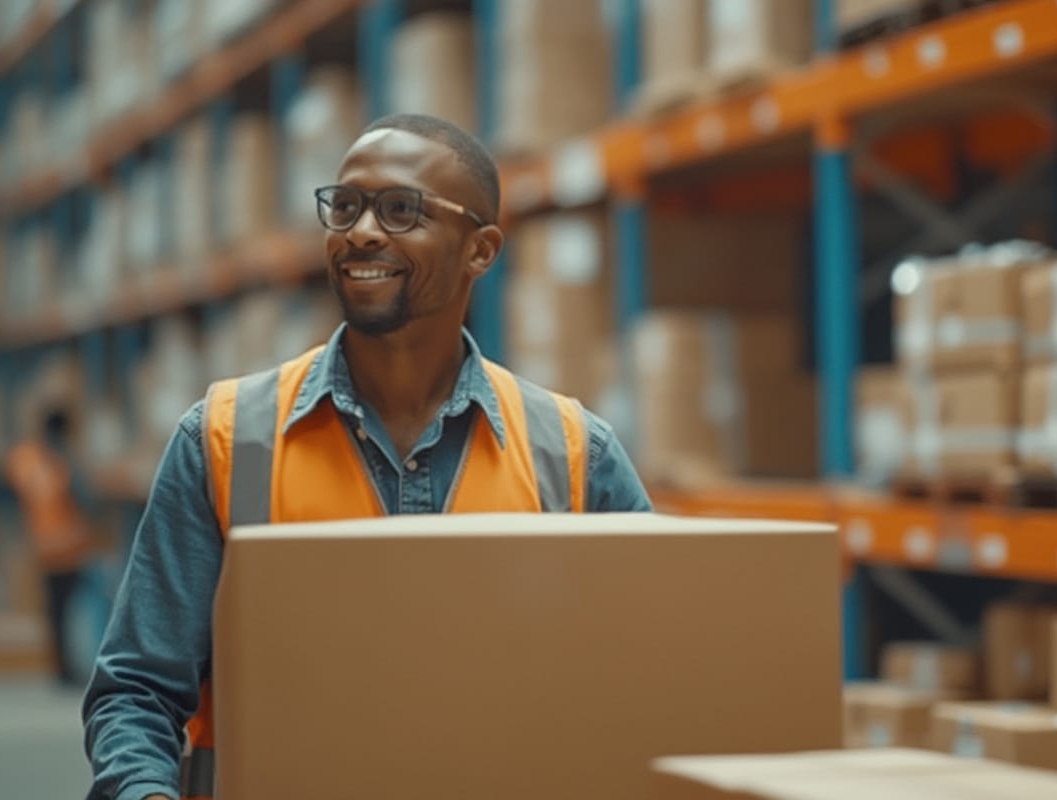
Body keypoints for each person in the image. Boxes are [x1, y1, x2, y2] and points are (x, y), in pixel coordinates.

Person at [82, 113, 652, 800]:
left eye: (401, 209)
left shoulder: (573, 453)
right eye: (345, 206)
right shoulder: (225, 440)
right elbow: (136, 690)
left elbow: (646, 682)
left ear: (481, 250)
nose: (361, 231)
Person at [4, 405, 95, 688]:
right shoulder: (62, 461)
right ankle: (65, 667)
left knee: (55, 610)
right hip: (68, 548)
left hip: (43, 547)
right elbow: (83, 497)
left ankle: (62, 665)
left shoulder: (25, 458)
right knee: (67, 610)